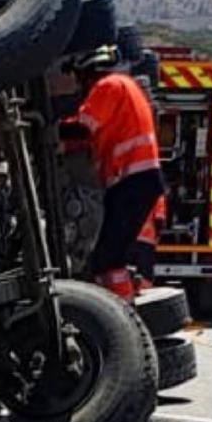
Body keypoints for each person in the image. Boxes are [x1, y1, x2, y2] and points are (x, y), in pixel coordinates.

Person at [60, 45, 164, 300]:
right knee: (112, 254)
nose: (78, 86)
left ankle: (121, 316)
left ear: (88, 70)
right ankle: (122, 310)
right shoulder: (125, 85)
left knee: (108, 259)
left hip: (131, 180)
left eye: (78, 77)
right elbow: (89, 138)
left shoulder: (107, 86)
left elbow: (82, 129)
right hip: (137, 180)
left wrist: (49, 128)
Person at [128, 193, 167, 290]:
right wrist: (158, 236)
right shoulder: (157, 195)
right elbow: (159, 219)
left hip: (128, 239)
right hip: (146, 239)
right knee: (145, 273)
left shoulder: (128, 191)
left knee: (126, 269)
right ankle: (144, 294)